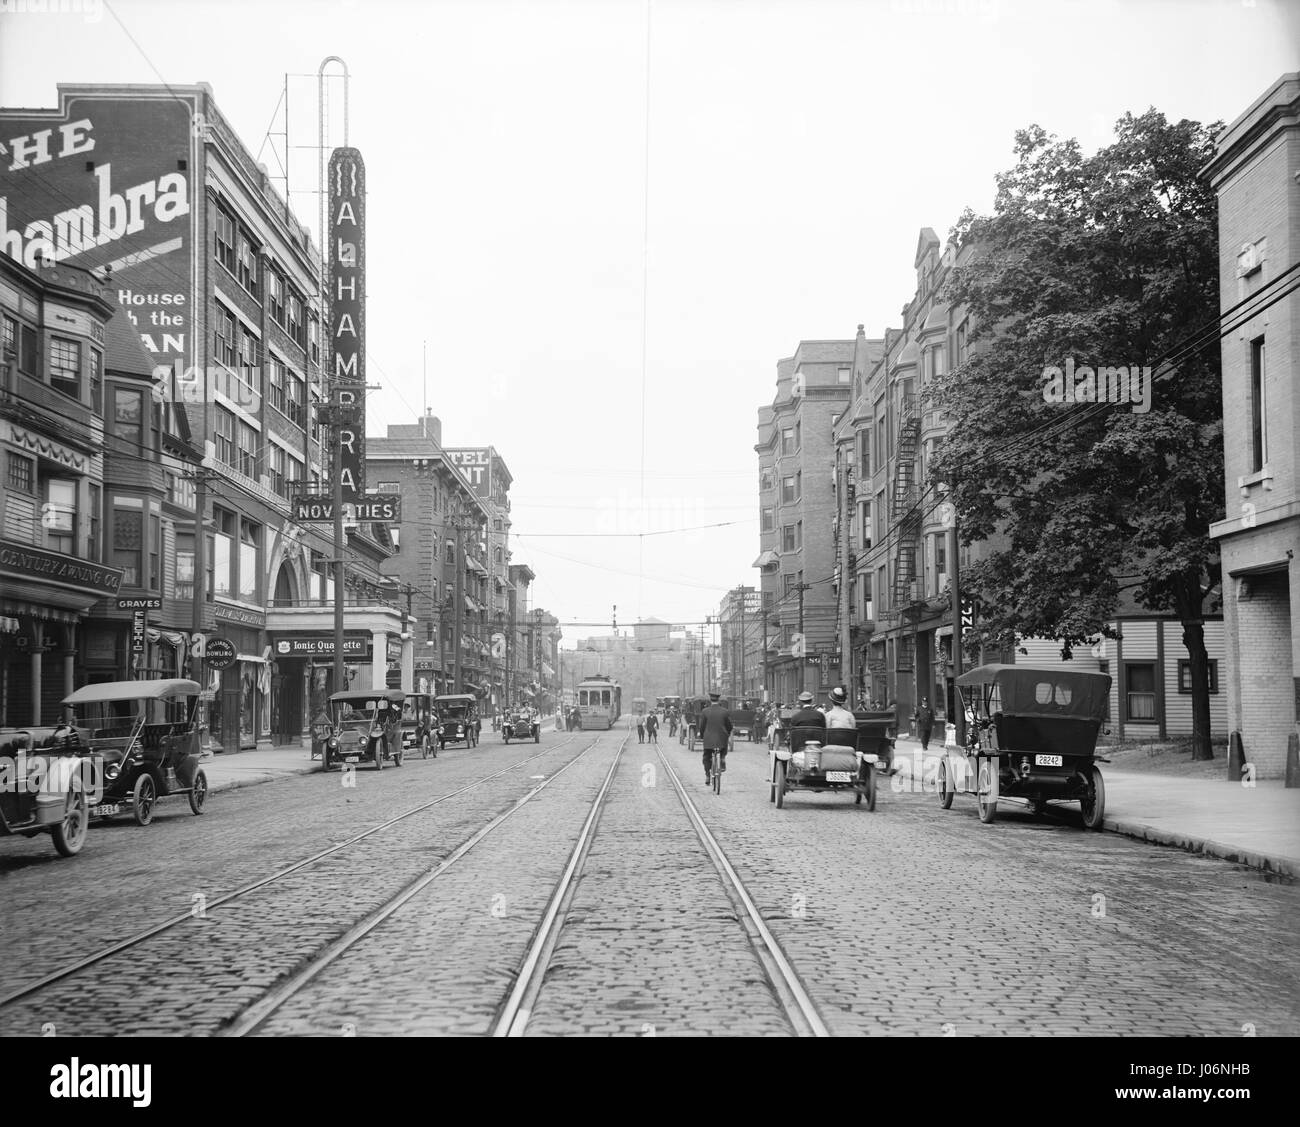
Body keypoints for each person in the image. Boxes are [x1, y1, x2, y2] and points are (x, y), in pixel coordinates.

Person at [697, 691, 733, 783]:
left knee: (706, 756)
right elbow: (729, 726)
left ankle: (707, 775)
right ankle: (722, 759)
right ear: (718, 700)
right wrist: (727, 733)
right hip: (721, 738)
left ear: (710, 700)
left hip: (708, 739)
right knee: (723, 749)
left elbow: (702, 726)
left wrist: (702, 736)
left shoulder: (705, 711)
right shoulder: (725, 711)